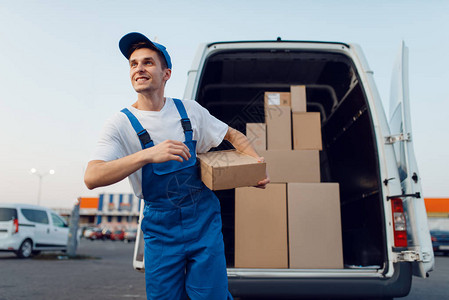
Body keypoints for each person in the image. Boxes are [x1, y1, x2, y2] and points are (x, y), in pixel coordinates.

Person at [84, 32, 270, 300]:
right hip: (161, 227)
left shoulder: (190, 111)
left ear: (166, 73)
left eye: (148, 62)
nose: (139, 69)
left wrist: (256, 167)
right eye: (133, 64)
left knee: (211, 296)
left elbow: (233, 136)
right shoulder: (120, 123)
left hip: (203, 219)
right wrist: (147, 156)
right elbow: (92, 177)